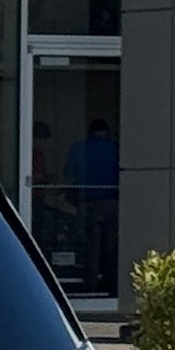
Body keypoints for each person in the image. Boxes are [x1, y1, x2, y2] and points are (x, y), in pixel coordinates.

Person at [64, 117, 119, 296]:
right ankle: (111, 286)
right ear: (104, 131)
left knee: (90, 249)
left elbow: (69, 174)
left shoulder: (79, 148)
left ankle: (90, 286)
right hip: (110, 202)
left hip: (87, 203)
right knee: (110, 247)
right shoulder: (114, 148)